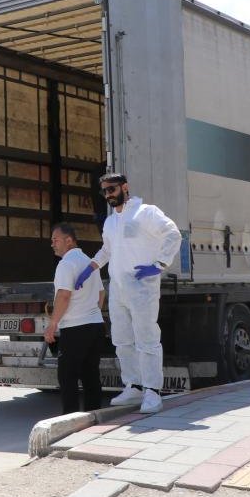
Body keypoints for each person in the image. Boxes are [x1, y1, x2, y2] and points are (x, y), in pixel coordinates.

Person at [74, 173, 181, 414]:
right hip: (118, 289)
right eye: (104, 191)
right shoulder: (111, 222)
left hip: (143, 288)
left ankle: (153, 392)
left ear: (125, 187)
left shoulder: (146, 212)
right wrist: (89, 269)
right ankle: (134, 386)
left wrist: (160, 264)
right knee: (121, 340)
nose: (108, 195)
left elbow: (173, 234)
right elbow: (106, 251)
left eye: (111, 189)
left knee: (147, 339)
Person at [45, 223, 105, 414]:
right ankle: (94, 418)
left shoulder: (66, 264)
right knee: (90, 376)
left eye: (55, 240)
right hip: (95, 326)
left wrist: (53, 324)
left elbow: (63, 295)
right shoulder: (89, 261)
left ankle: (69, 419)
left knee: (67, 377)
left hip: (75, 328)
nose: (52, 244)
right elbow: (102, 293)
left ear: (69, 240)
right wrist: (91, 311)